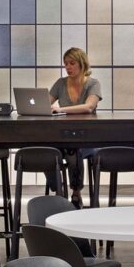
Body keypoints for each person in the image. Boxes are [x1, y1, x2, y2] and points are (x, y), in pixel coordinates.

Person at [47, 47, 102, 207]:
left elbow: (89, 107)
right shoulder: (60, 83)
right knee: (47, 149)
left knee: (73, 150)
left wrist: (60, 109)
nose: (68, 67)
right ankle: (58, 189)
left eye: (72, 63)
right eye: (66, 64)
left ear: (82, 64)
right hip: (63, 136)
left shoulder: (93, 83)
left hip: (87, 139)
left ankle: (75, 193)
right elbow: (45, 104)